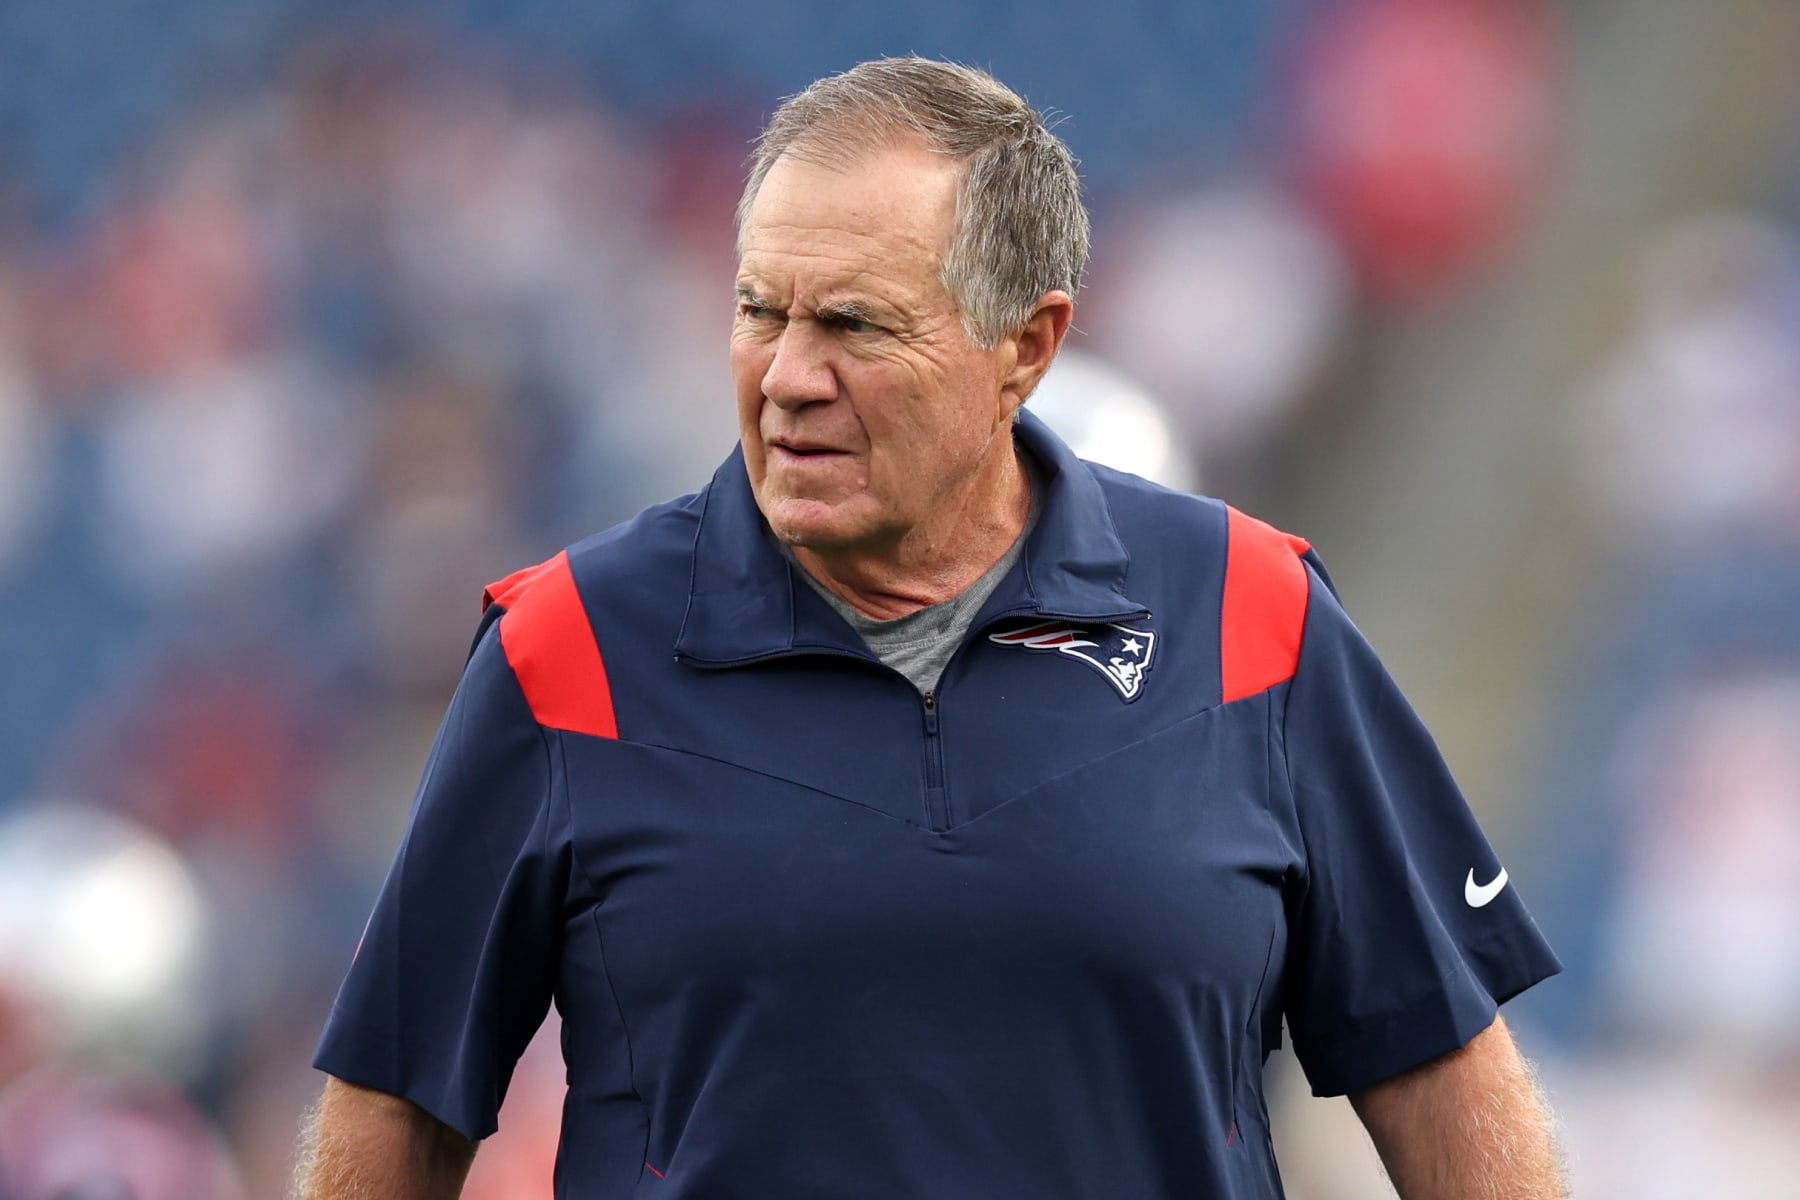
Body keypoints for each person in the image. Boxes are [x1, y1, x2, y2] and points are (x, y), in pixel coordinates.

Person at [297, 56, 1566, 1199]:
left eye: (852, 323)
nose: (788, 375)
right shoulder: (565, 644)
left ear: (1027, 346)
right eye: (759, 311)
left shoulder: (1253, 614)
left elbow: (1439, 1073)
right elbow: (399, 1107)